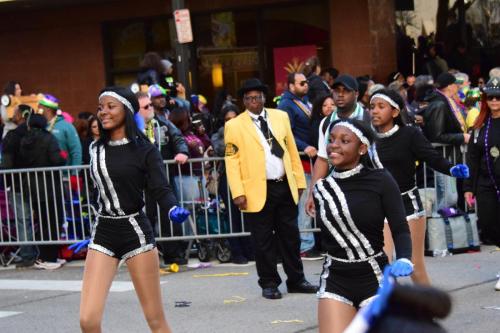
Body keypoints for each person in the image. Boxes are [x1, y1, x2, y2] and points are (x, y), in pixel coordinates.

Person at [78, 86, 189, 333]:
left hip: (135, 232)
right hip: (104, 231)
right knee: (88, 320)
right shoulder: (95, 149)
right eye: (100, 108)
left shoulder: (145, 150)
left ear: (126, 111)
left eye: (110, 106)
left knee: (156, 321)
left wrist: (172, 208)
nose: (103, 112)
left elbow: (160, 188)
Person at [313, 118, 413, 333]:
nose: (334, 145)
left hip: (374, 277)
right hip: (336, 276)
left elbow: (399, 227)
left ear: (362, 148)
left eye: (344, 140)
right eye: (331, 140)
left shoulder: (381, 180)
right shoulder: (322, 188)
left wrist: (404, 257)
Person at [224, 78, 317, 299]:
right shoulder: (234, 125)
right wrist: (238, 192)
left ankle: (296, 279)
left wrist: (299, 182)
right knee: (263, 240)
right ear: (243, 101)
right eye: (248, 98)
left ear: (264, 98)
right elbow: (232, 161)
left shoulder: (280, 116)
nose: (253, 101)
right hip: (256, 190)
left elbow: (292, 151)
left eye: (257, 97)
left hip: (284, 185)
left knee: (291, 237)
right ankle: (268, 282)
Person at [369, 89, 469, 285]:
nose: (375, 111)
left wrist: (452, 168)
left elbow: (431, 157)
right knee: (383, 264)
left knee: (414, 265)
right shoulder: (368, 140)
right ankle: (390, 311)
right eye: (372, 107)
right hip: (380, 208)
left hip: (408, 204)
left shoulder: (410, 134)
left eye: (381, 107)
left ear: (395, 112)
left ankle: (428, 311)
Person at [136, 91, 190, 266]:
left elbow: (177, 137)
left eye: (150, 104)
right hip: (142, 183)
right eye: (146, 107)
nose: (151, 108)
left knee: (169, 216)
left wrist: (182, 151)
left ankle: (173, 254)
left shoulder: (163, 123)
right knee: (146, 219)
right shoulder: (131, 130)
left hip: (163, 180)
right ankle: (147, 257)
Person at [305, 75, 371, 217]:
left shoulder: (369, 119)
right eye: (336, 90)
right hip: (335, 187)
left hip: (365, 187)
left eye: (346, 91)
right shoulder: (326, 122)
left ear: (356, 94)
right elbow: (322, 159)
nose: (340, 95)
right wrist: (312, 193)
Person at [277, 72, 320, 259]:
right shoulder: (286, 104)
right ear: (291, 86)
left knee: (309, 202)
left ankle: (307, 242)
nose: (306, 85)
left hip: (309, 160)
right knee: (304, 203)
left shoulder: (303, 101)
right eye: (301, 83)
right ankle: (305, 244)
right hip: (300, 159)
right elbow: (286, 133)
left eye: (306, 82)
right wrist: (305, 146)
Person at [19, 114, 67, 269]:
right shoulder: (48, 138)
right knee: (54, 221)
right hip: (50, 186)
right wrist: (63, 157)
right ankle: (48, 258)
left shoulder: (24, 140)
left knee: (42, 221)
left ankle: (47, 256)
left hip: (32, 188)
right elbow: (56, 160)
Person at [464, 77, 500, 269]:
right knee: (488, 226)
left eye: (498, 97)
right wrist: (469, 187)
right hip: (486, 183)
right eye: (490, 97)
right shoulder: (479, 126)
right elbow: (472, 158)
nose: (494, 101)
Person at [212, 104, 254, 264]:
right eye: (227, 119)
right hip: (227, 178)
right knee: (232, 215)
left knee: (248, 213)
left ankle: (250, 250)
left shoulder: (249, 131)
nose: (231, 121)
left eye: (234, 118)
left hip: (248, 177)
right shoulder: (218, 135)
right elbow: (223, 149)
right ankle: (237, 252)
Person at [1, 104, 38, 267]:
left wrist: (6, 182)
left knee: (23, 220)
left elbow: (7, 163)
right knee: (39, 219)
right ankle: (39, 253)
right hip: (38, 182)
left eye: (15, 112)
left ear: (22, 115)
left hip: (17, 184)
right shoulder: (38, 134)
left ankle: (27, 255)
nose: (12, 115)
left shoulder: (13, 136)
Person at [39, 94, 82, 166]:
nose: (38, 109)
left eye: (40, 107)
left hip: (64, 174)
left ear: (47, 109)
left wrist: (75, 174)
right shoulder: (40, 127)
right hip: (46, 174)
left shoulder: (67, 126)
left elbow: (76, 151)